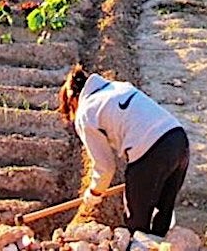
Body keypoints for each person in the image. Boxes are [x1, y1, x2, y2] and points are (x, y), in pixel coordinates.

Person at [58, 65, 190, 237]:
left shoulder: (86, 112)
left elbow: (105, 167)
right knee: (162, 216)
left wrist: (93, 194)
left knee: (137, 225)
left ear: (72, 99)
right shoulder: (119, 87)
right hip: (179, 141)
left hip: (150, 152)